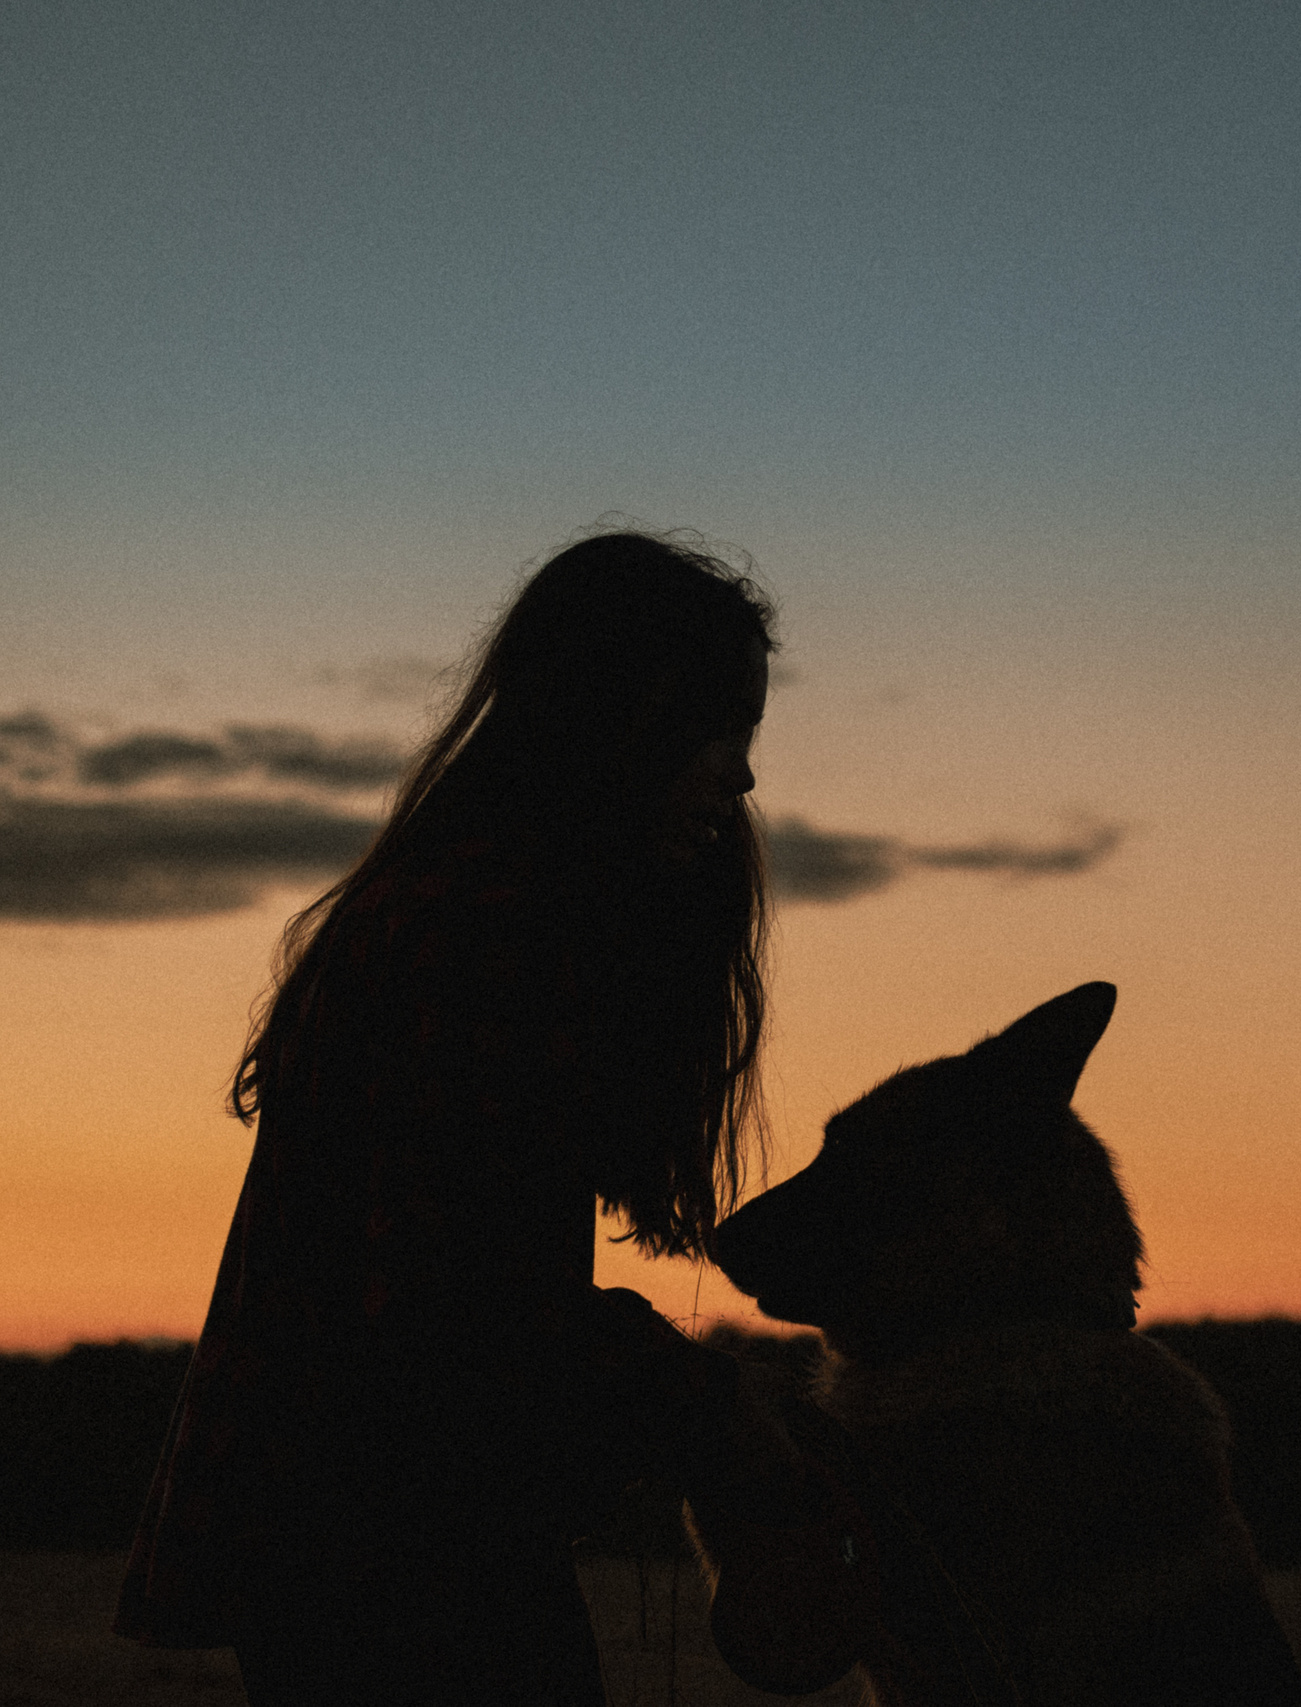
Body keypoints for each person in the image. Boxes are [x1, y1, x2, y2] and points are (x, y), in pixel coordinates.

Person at [117, 531, 797, 1704]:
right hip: (388, 1553)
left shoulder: (462, 914)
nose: (740, 779)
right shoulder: (482, 938)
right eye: (720, 728)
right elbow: (466, 1304)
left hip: (365, 1540)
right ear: (623, 718)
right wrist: (714, 1412)